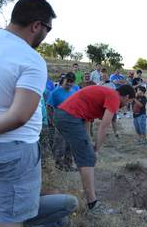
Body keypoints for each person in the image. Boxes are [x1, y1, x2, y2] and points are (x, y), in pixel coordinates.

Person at [0, 0, 55, 227]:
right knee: (8, 216)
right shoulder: (31, 60)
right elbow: (19, 116)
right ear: (36, 25)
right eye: (48, 29)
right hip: (13, 149)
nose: (47, 34)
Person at [53, 85, 135, 214]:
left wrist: (90, 142)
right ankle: (93, 205)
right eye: (128, 102)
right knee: (88, 157)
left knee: (85, 155)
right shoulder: (114, 96)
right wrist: (97, 147)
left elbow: (87, 120)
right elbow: (105, 125)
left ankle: (88, 195)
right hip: (69, 117)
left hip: (65, 115)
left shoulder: (105, 94)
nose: (125, 106)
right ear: (126, 96)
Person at [47, 72, 78, 171]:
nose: (69, 83)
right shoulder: (56, 92)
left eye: (71, 82)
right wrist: (52, 120)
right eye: (68, 81)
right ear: (64, 80)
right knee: (60, 144)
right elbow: (49, 107)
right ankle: (59, 166)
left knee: (70, 145)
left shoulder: (74, 92)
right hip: (60, 123)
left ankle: (68, 165)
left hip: (72, 123)